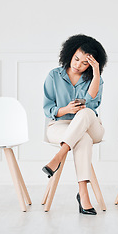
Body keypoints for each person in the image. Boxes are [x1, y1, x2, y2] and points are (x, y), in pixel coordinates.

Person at [42, 34, 107, 215]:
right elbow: (48, 109)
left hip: (90, 125)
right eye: (76, 59)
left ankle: (59, 156)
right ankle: (84, 196)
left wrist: (96, 73)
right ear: (69, 54)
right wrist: (66, 109)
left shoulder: (95, 78)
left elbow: (92, 104)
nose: (78, 64)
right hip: (60, 126)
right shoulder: (54, 76)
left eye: (84, 63)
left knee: (86, 111)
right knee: (82, 140)